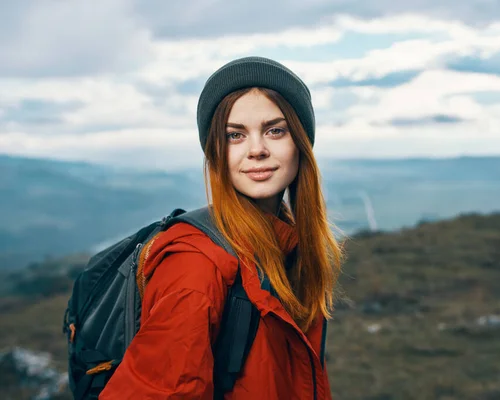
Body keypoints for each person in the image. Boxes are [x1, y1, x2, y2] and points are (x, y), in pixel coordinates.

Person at [99, 56, 344, 399]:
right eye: (234, 135)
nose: (257, 150)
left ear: (300, 142)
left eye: (275, 130)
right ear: (215, 151)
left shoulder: (287, 248)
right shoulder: (197, 265)